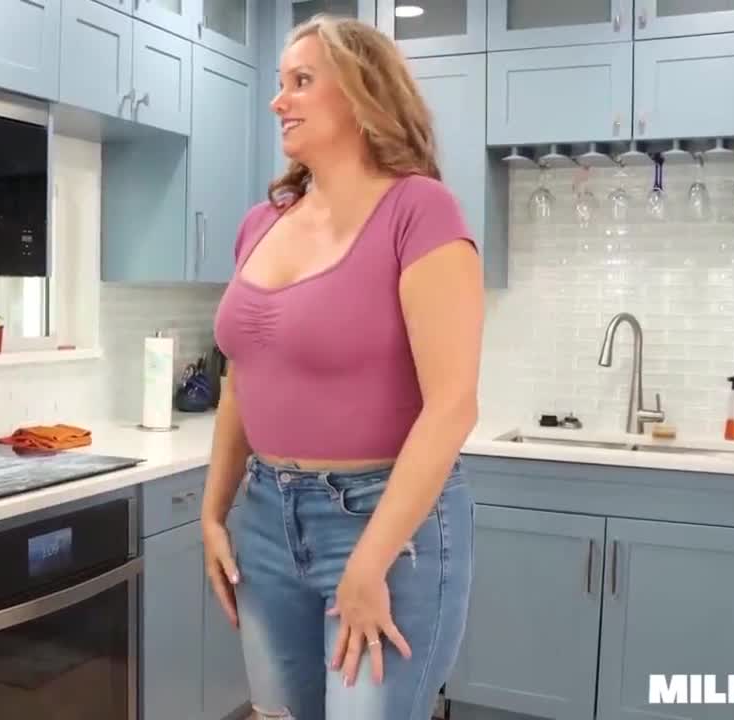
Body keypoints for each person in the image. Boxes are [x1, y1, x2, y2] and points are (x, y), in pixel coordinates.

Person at [203, 14, 484, 720]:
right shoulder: (261, 222)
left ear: (362, 95)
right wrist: (213, 510)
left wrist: (369, 561)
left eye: (301, 81)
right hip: (266, 519)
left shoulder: (420, 211)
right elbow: (242, 380)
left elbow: (452, 406)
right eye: (280, 83)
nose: (279, 101)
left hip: (385, 525)